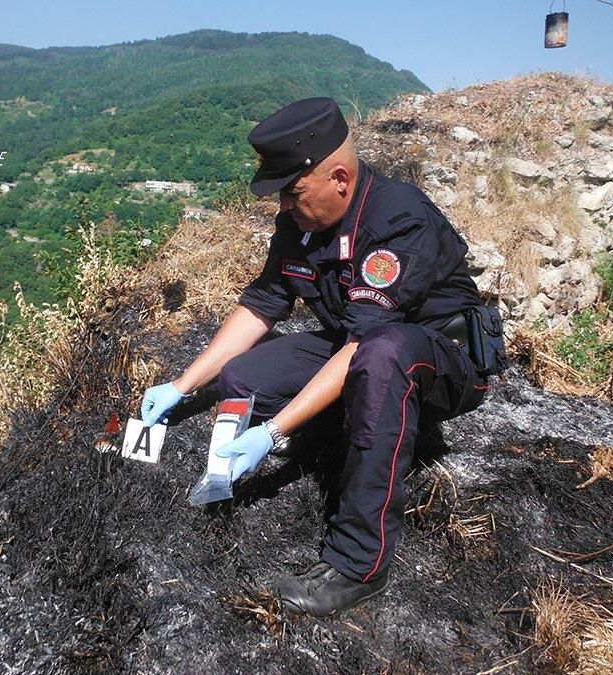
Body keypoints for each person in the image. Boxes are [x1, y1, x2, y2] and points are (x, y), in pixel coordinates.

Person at [140, 97, 502, 616]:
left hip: (439, 359)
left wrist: (274, 431)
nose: (284, 205)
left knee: (382, 358)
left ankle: (360, 564)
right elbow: (263, 304)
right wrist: (182, 385)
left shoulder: (399, 219)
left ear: (339, 178)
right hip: (359, 341)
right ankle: (311, 441)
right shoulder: (301, 224)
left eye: (293, 192)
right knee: (244, 375)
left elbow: (366, 342)